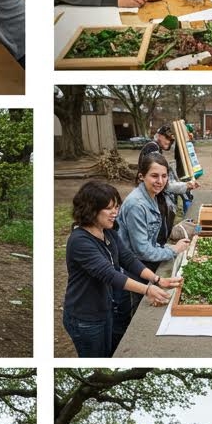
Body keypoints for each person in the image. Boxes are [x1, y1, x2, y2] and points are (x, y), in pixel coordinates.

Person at [63, 180, 173, 358]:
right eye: (109, 208)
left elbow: (128, 259)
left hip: (105, 308)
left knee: (110, 353)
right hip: (85, 317)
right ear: (91, 209)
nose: (115, 212)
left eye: (116, 207)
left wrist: (157, 279)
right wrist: (147, 289)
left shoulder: (108, 232)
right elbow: (110, 275)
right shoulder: (80, 241)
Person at [114, 153, 190, 350]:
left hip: (143, 266)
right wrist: (173, 249)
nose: (160, 181)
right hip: (132, 271)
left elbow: (151, 241)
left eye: (164, 176)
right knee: (131, 319)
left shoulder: (153, 196)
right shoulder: (136, 205)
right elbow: (143, 250)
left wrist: (168, 247)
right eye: (154, 176)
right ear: (142, 176)